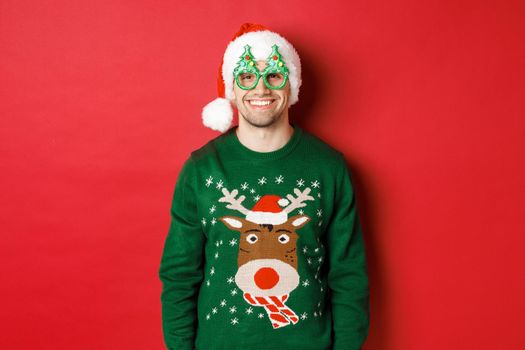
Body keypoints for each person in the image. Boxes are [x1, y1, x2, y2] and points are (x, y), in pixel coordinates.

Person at [159, 23, 370, 350]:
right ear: (232, 87)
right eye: (246, 77)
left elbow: (348, 276)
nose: (261, 89)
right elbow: (179, 276)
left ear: (292, 83)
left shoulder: (329, 168)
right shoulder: (201, 170)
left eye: (274, 75)